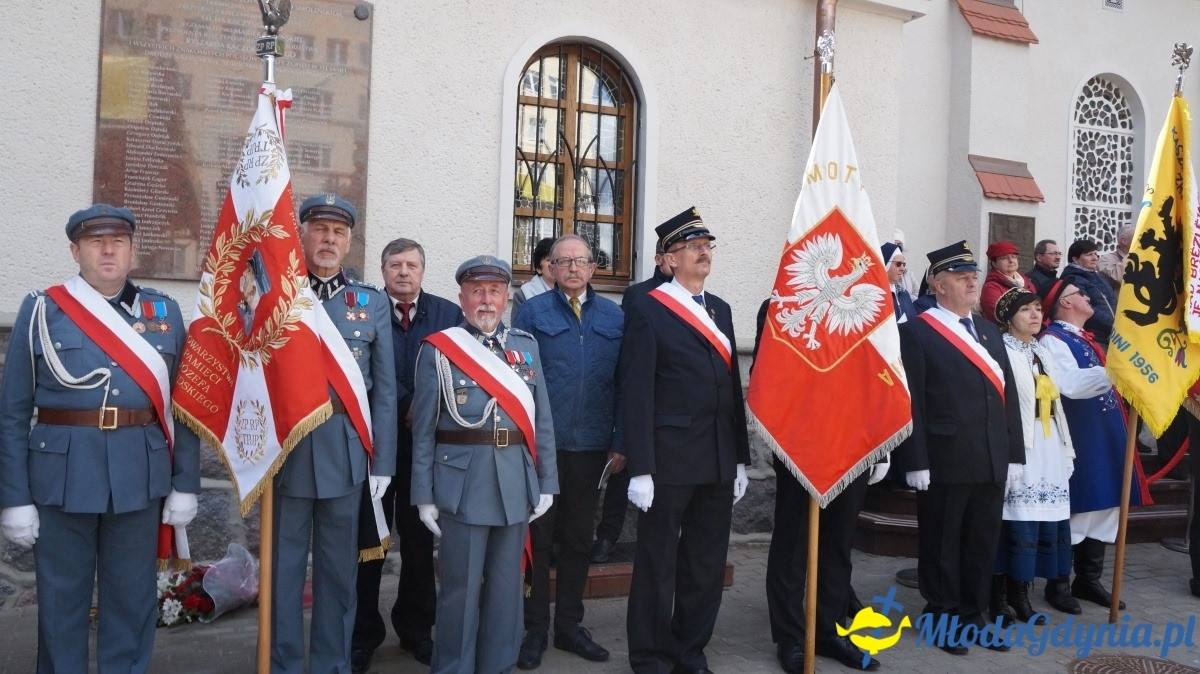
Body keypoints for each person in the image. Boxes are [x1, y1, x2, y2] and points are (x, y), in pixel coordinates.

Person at [0, 204, 200, 672]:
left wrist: (185, 482)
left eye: (118, 241)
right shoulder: (42, 308)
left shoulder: (164, 311)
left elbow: (184, 406)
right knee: (61, 599)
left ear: (133, 251)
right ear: (76, 250)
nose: (107, 250)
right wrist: (14, 499)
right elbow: (11, 413)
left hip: (138, 473)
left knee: (132, 600)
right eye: (95, 241)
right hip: (61, 476)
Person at [411, 255, 559, 674]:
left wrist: (546, 482)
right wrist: (423, 495)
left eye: (494, 291)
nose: (486, 300)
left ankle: (497, 666)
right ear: (462, 297)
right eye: (477, 291)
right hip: (461, 486)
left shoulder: (525, 347)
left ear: (506, 298)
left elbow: (542, 420)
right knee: (458, 590)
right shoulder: (439, 350)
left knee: (506, 589)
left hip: (515, 482)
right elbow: (423, 430)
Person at [619, 207, 751, 673]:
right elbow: (636, 393)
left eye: (708, 246)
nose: (704, 252)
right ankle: (651, 656)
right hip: (669, 460)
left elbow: (732, 387)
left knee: (705, 565)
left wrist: (738, 459)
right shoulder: (648, 309)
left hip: (716, 457)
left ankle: (689, 650)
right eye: (694, 247)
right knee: (658, 564)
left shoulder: (721, 310)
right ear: (668, 260)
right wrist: (641, 468)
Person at [273, 194, 398, 673]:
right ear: (302, 234)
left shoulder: (369, 302)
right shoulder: (276, 295)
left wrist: (382, 462)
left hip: (346, 455)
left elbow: (384, 392)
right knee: (284, 575)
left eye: (338, 232)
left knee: (337, 575)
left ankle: (330, 665)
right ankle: (283, 664)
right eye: (320, 229)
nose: (328, 239)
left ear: (348, 242)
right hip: (285, 453)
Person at [894, 240, 1023, 656]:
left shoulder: (987, 329)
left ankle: (972, 615)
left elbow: (1009, 395)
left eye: (973, 274)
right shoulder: (916, 331)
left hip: (989, 454)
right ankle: (942, 617)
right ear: (937, 283)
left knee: (982, 542)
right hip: (945, 457)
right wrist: (915, 459)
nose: (972, 281)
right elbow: (912, 399)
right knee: (943, 542)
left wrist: (1015, 452)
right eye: (960, 275)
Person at [756, 302, 888, 673]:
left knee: (838, 544)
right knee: (793, 544)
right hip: (801, 445)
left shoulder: (865, 310)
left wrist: (881, 444)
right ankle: (790, 637)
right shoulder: (780, 305)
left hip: (853, 445)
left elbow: (879, 373)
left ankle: (829, 631)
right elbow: (770, 375)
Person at [512, 234, 624, 668]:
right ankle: (535, 629)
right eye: (564, 261)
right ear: (550, 269)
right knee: (539, 540)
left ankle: (570, 626)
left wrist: (622, 441)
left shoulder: (615, 318)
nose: (573, 268)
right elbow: (518, 377)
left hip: (593, 448)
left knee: (579, 538)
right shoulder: (532, 312)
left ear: (593, 268)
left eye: (581, 261)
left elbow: (625, 383)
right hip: (545, 445)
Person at [351, 238, 462, 672]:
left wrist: (424, 402)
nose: (403, 272)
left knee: (418, 545)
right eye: (394, 265)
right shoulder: (364, 309)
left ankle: (417, 630)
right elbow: (357, 368)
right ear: (382, 271)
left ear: (422, 270)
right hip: (376, 448)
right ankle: (363, 635)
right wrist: (404, 403)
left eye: (411, 265)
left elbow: (454, 367)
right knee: (370, 545)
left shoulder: (446, 314)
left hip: (426, 450)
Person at [1038, 279, 1150, 612]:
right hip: (1081, 434)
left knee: (1107, 503)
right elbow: (1069, 384)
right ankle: (1058, 584)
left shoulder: (1082, 338)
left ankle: (1088, 580)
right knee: (1080, 504)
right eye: (1080, 294)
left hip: (1104, 429)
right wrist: (1116, 371)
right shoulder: (1052, 340)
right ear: (1065, 303)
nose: (1088, 297)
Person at [989, 288, 1076, 625]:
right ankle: (997, 599)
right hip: (1020, 447)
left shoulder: (1042, 352)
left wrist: (1066, 448)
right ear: (1009, 317)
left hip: (1048, 445)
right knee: (1011, 520)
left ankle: (1021, 597)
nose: (1035, 315)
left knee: (1039, 520)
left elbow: (1057, 404)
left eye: (1038, 308)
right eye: (1026, 310)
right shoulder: (1001, 351)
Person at [590, 238, 673, 564]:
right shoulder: (639, 294)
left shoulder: (695, 297)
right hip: (640, 399)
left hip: (671, 406)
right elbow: (630, 351)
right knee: (623, 471)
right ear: (658, 258)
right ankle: (607, 537)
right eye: (671, 254)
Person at [1059, 239, 1116, 346]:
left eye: (1095, 254)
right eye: (1089, 255)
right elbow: (1084, 308)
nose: (1095, 258)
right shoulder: (1074, 279)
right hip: (1095, 337)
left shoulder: (1096, 276)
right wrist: (1113, 324)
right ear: (1075, 259)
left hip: (1110, 335)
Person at [980, 240, 1035, 324]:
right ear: (994, 264)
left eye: (1013, 257)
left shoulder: (1026, 282)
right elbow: (1001, 315)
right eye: (1004, 258)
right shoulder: (991, 287)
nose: (1011, 260)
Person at [511, 237, 556, 314]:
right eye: (549, 260)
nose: (554, 264)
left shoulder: (571, 292)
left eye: (558, 260)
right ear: (538, 268)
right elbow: (518, 326)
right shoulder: (523, 295)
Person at [882, 241, 916, 324]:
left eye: (903, 264)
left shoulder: (904, 293)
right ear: (885, 265)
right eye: (898, 264)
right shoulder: (877, 295)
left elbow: (913, 320)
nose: (902, 268)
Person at [1097, 223, 1135, 291]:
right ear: (1125, 241)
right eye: (1137, 238)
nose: (1140, 241)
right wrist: (1132, 255)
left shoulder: (1143, 258)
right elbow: (1118, 278)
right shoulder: (1106, 260)